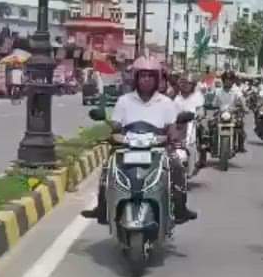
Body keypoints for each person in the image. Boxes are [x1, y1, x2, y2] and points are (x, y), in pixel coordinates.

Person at [82, 56, 198, 225]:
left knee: (177, 165)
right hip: (128, 147)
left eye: (150, 76)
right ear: (136, 78)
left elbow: (172, 126)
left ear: (157, 78)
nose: (146, 79)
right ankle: (102, 207)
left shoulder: (166, 103)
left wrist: (174, 133)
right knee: (108, 167)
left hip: (157, 148)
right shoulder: (124, 101)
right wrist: (108, 125)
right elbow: (116, 124)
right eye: (143, 75)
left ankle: (180, 208)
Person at [215, 70, 248, 153]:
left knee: (240, 125)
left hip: (233, 113)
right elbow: (214, 103)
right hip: (220, 113)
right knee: (210, 126)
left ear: (233, 81)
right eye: (226, 79)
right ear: (223, 80)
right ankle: (210, 147)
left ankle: (241, 145)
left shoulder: (236, 90)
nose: (228, 81)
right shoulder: (218, 91)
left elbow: (241, 99)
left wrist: (244, 107)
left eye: (230, 80)